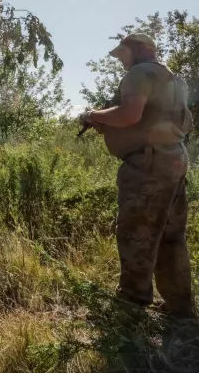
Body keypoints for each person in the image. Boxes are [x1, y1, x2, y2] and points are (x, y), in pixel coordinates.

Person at [83, 32, 195, 319]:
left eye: (123, 54)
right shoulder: (174, 80)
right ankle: (180, 307)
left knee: (137, 232)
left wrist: (94, 115)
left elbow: (130, 114)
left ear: (139, 50)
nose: (121, 61)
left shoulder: (138, 74)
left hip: (148, 166)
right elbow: (186, 122)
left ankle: (131, 307)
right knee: (171, 235)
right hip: (174, 159)